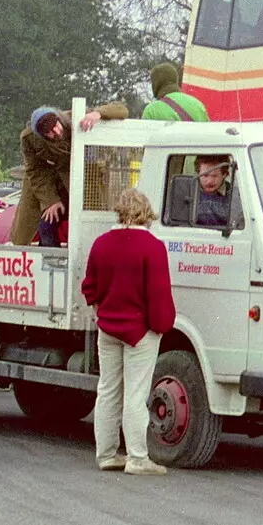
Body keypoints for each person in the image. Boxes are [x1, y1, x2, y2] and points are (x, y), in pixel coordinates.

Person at [80, 189, 174, 476]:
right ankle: (137, 458)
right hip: (140, 332)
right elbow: (159, 298)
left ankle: (106, 454)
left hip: (107, 328)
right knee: (135, 395)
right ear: (146, 213)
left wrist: (100, 311)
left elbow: (90, 287)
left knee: (108, 391)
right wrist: (162, 327)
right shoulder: (153, 247)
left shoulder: (101, 244)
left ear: (119, 211)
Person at [10, 101, 128, 246]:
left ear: (59, 119)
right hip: (48, 187)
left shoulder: (77, 117)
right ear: (41, 135)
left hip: (83, 183)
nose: (57, 132)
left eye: (56, 126)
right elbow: (35, 170)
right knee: (46, 223)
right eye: (50, 133)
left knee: (88, 223)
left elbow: (121, 109)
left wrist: (98, 113)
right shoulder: (28, 138)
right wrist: (50, 201)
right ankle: (48, 259)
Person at [143, 62, 210, 122]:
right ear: (175, 79)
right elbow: (207, 133)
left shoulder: (151, 111)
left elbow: (146, 135)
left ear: (156, 84)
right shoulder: (198, 105)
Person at [192, 154, 233, 227]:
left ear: (224, 174)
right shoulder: (186, 191)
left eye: (214, 176)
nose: (209, 181)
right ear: (197, 173)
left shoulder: (235, 194)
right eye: (205, 175)